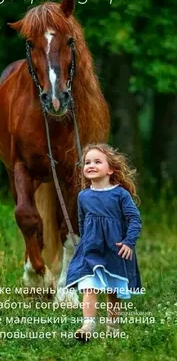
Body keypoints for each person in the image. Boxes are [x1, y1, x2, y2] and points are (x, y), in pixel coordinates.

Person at [64, 143, 143, 343]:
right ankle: (88, 325)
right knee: (88, 286)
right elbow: (82, 222)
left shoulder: (120, 194)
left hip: (115, 249)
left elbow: (135, 219)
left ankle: (113, 325)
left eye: (97, 161)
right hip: (91, 249)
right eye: (87, 162)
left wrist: (128, 242)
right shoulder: (83, 196)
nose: (91, 165)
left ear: (110, 169)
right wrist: (82, 242)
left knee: (112, 290)